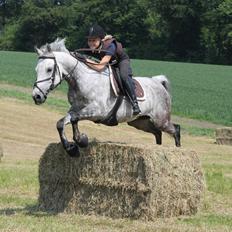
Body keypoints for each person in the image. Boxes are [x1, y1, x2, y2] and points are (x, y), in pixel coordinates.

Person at [83, 24, 141, 115]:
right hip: (109, 63)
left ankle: (135, 103)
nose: (91, 43)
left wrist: (85, 61)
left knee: (123, 76)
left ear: (101, 39)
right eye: (89, 40)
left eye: (94, 40)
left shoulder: (110, 45)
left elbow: (99, 67)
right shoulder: (90, 45)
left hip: (121, 62)